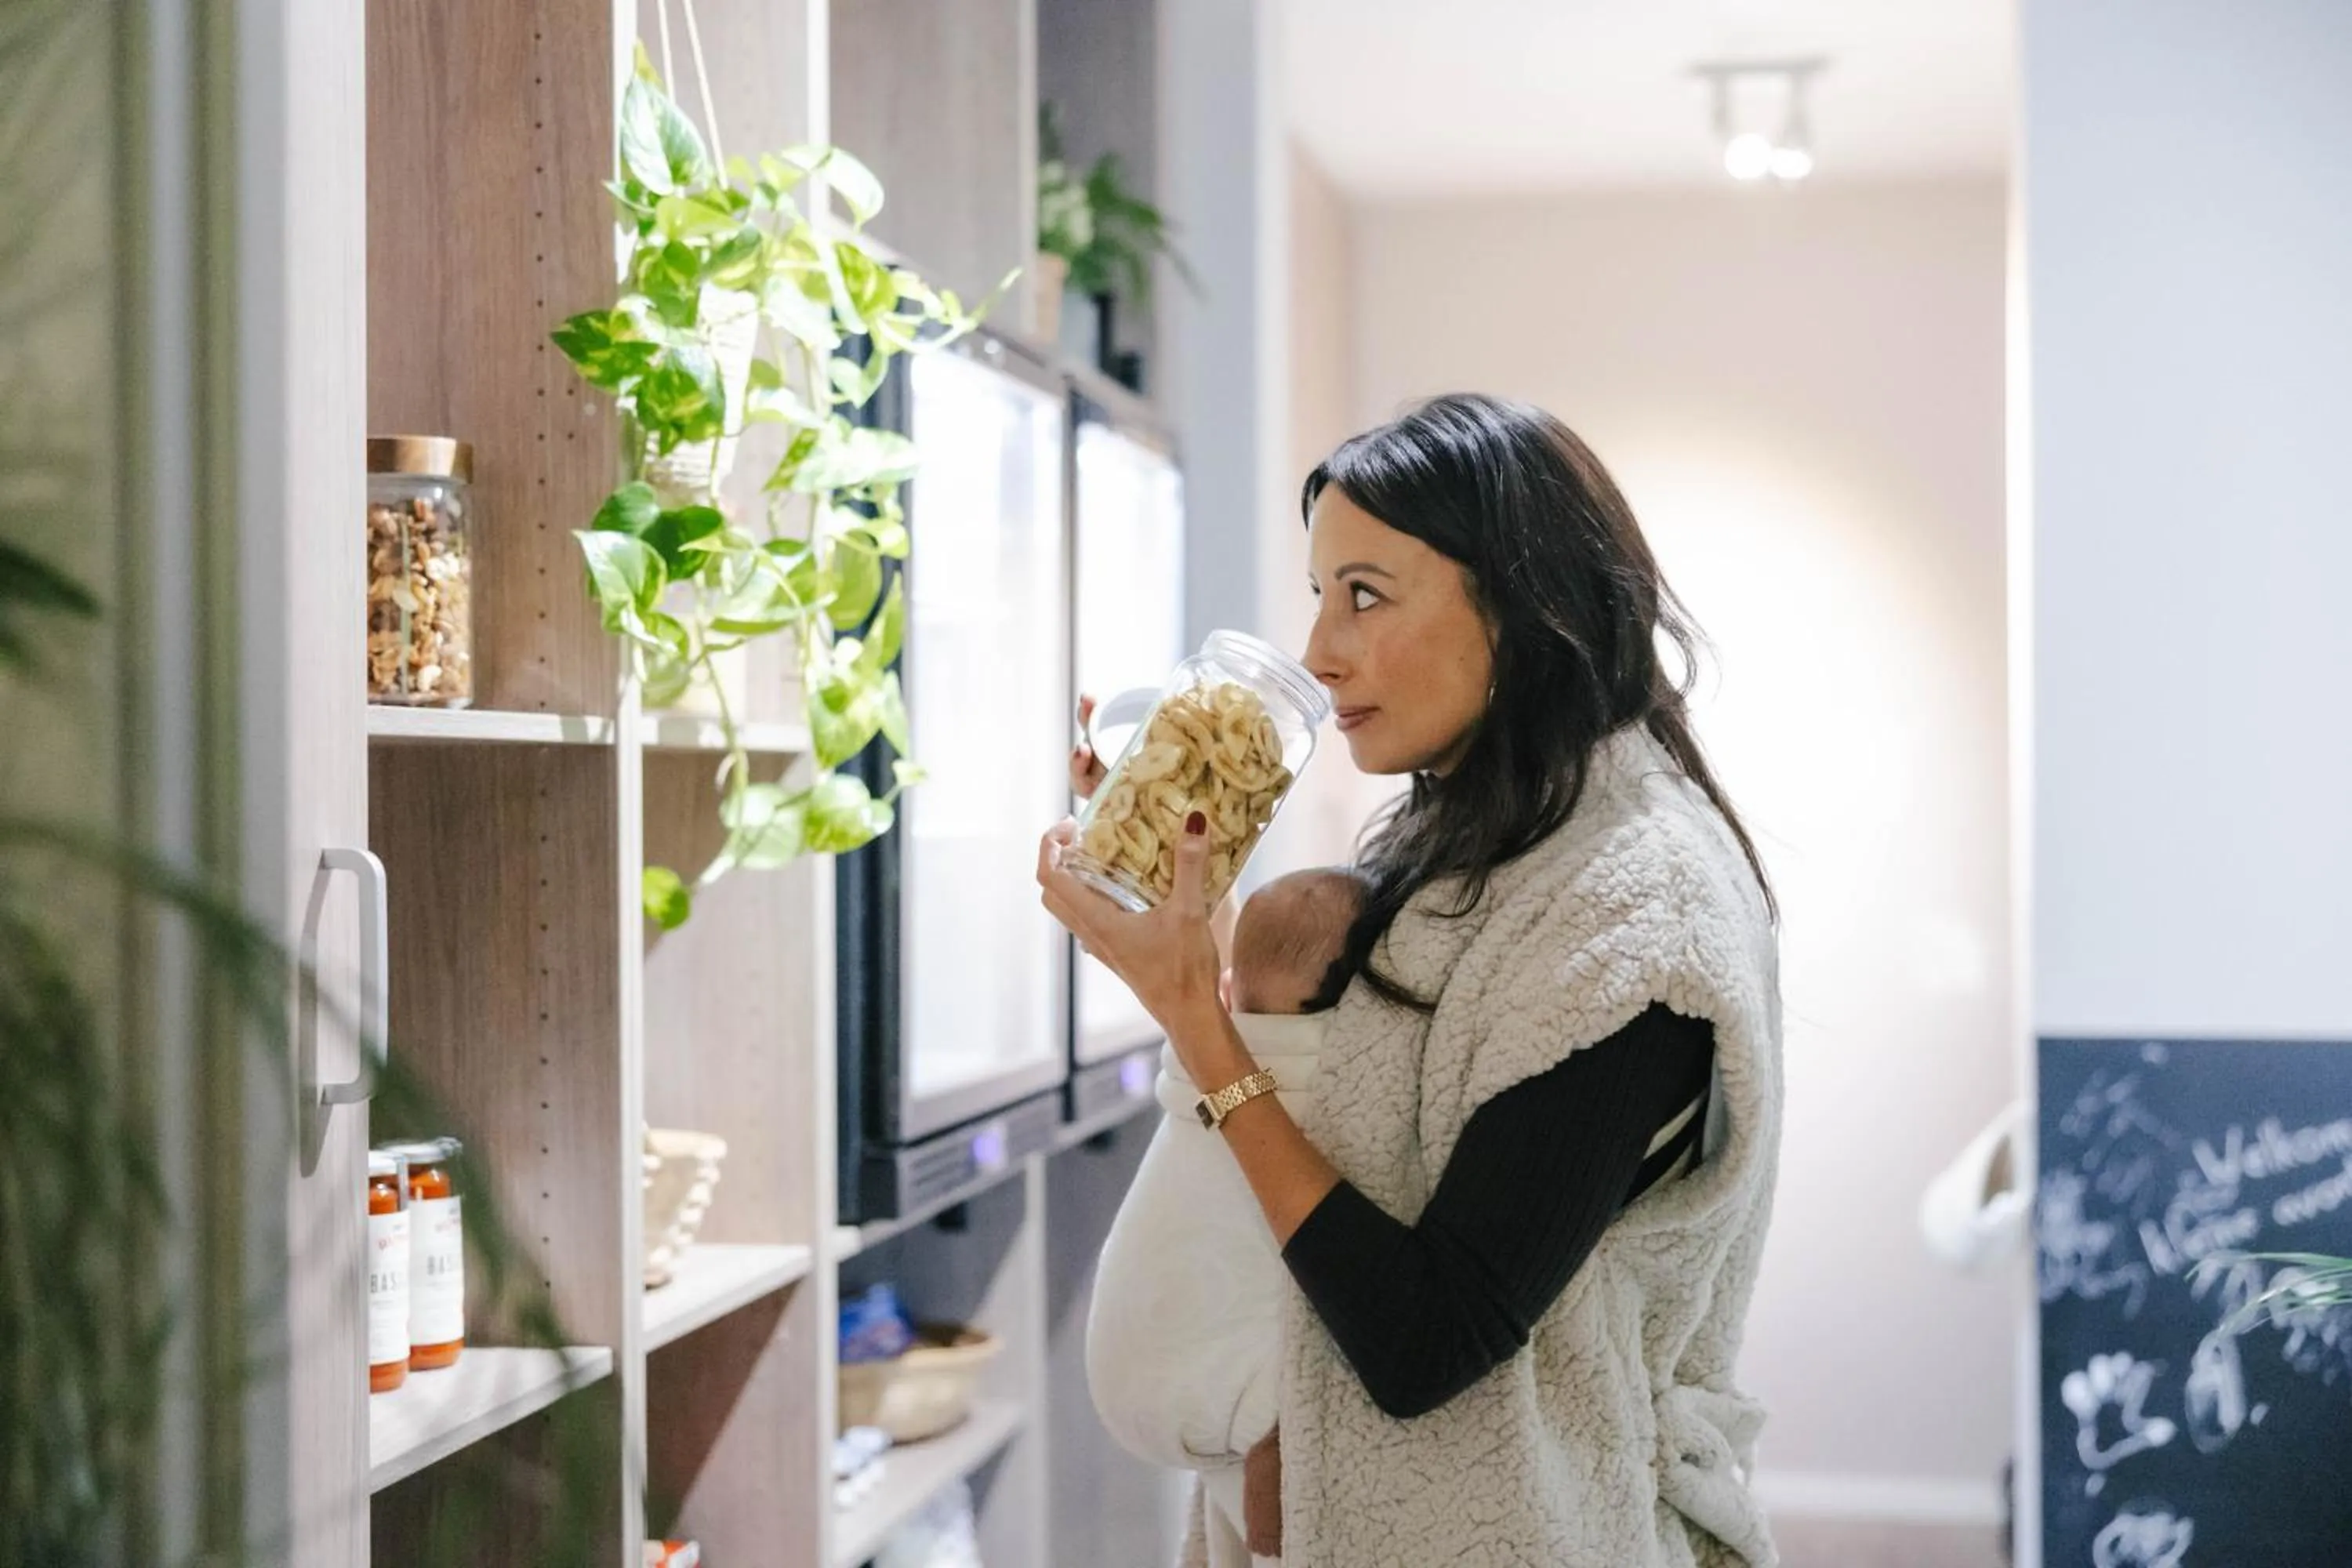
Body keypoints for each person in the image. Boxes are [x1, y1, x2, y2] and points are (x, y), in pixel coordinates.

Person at [1040, 392, 1784, 1566]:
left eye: (1367, 595)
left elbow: (1431, 1338)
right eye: (1320, 595)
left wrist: (1199, 1025)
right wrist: (1198, 916)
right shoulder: (1473, 838)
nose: (1319, 651)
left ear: (1524, 604)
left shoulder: (1635, 910)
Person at [1084, 868, 1366, 1566]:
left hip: (1124, 1360)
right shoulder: (1339, 1068)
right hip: (1238, 1393)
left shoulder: (1211, 1033)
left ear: (1232, 983)